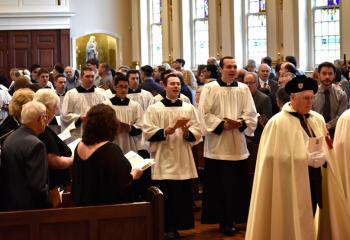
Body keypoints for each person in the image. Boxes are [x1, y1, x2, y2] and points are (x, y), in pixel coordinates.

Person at [245, 75, 346, 239]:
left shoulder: (317, 119)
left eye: (312, 98)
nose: (310, 102)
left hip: (314, 183)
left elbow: (327, 146)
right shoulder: (278, 123)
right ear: (292, 98)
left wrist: (325, 158)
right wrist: (303, 159)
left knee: (311, 217)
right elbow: (270, 158)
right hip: (288, 185)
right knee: (290, 225)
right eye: (306, 98)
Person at [199, 56, 257, 236]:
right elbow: (204, 113)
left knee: (237, 185)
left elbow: (251, 114)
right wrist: (221, 124)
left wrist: (241, 123)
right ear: (221, 69)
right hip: (217, 147)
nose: (232, 70)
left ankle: (236, 219)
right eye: (229, 67)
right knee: (220, 186)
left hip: (238, 147)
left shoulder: (243, 89)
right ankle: (223, 221)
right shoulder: (210, 88)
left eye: (235, 66)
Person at [144, 74, 202, 239]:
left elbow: (197, 132)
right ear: (164, 86)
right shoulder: (155, 108)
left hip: (182, 156)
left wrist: (186, 132)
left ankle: (178, 226)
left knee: (181, 195)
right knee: (167, 195)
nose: (176, 87)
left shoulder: (188, 108)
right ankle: (166, 227)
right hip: (164, 157)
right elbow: (147, 131)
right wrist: (165, 131)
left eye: (178, 84)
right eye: (172, 84)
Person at [71, 104, 143, 206]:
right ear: (111, 125)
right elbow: (122, 184)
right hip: (105, 211)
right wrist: (134, 174)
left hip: (82, 207)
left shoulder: (79, 146)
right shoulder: (111, 150)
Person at [0, 101, 51, 211]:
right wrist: (49, 206)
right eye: (45, 117)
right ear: (41, 118)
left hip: (9, 206)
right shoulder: (36, 145)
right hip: (29, 211)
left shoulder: (10, 138)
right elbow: (38, 187)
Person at [34, 89, 73, 190]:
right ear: (45, 108)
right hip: (53, 186)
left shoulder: (42, 127)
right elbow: (54, 161)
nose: (55, 112)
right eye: (54, 108)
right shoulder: (41, 130)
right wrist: (73, 159)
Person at [104, 74, 144, 154]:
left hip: (130, 144)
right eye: (120, 86)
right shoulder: (106, 105)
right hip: (112, 143)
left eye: (126, 87)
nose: (123, 90)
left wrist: (129, 128)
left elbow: (141, 125)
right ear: (115, 87)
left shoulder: (135, 105)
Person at [61, 66, 106, 134]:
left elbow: (105, 112)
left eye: (92, 76)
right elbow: (65, 115)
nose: (90, 79)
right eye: (87, 76)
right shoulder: (71, 94)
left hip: (97, 131)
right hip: (78, 132)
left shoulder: (101, 93)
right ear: (81, 78)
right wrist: (80, 118)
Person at [312, 62, 347, 138]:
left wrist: (328, 125)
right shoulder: (312, 94)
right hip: (316, 131)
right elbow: (310, 114)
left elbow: (341, 116)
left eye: (330, 74)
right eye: (324, 73)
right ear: (319, 75)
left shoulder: (341, 95)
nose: (327, 76)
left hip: (336, 132)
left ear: (334, 75)